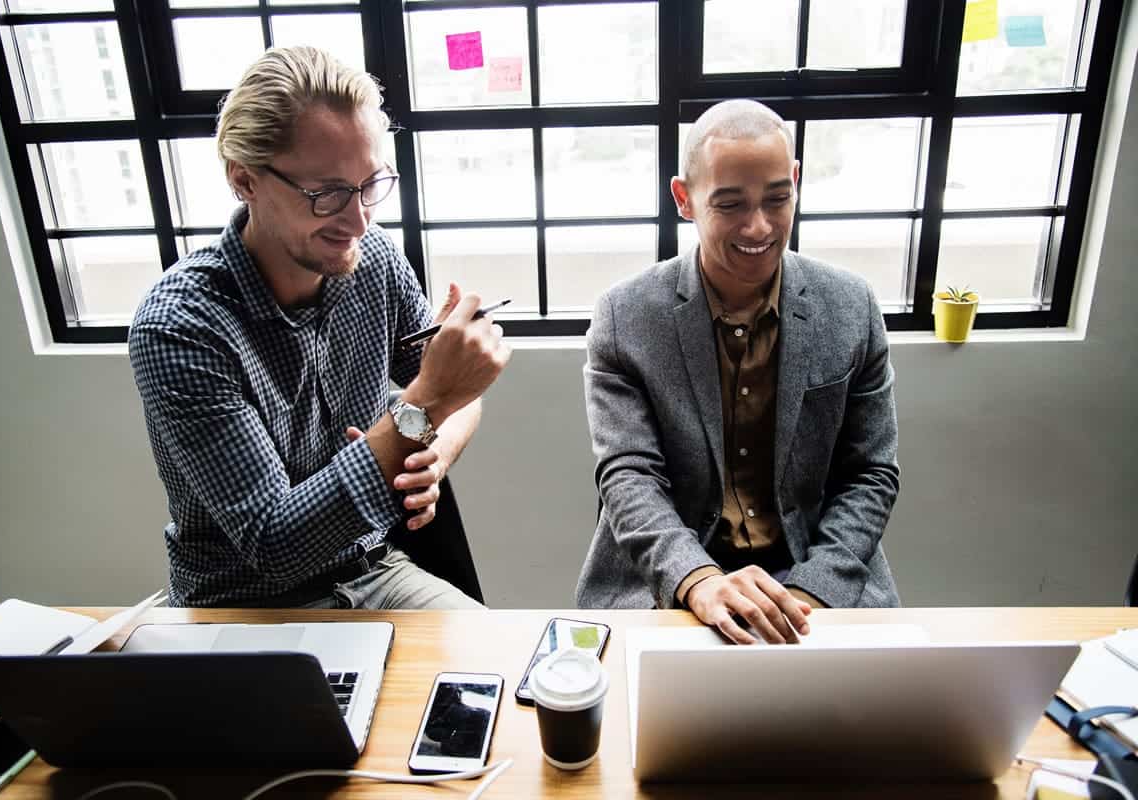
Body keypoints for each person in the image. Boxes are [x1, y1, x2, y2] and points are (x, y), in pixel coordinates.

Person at [129, 46, 510, 608]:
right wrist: (424, 406)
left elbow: (452, 396)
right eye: (326, 193)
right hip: (242, 604)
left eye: (371, 184)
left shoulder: (373, 257)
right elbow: (276, 546)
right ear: (245, 181)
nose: (357, 220)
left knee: (501, 670)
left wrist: (434, 454)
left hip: (374, 569)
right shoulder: (180, 327)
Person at [576, 99, 900, 643]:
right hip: (676, 580)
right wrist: (698, 579)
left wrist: (804, 595)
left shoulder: (852, 306)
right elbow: (628, 476)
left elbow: (870, 473)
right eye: (730, 204)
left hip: (815, 575)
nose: (760, 226)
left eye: (778, 198)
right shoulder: (624, 316)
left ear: (796, 181)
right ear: (685, 198)